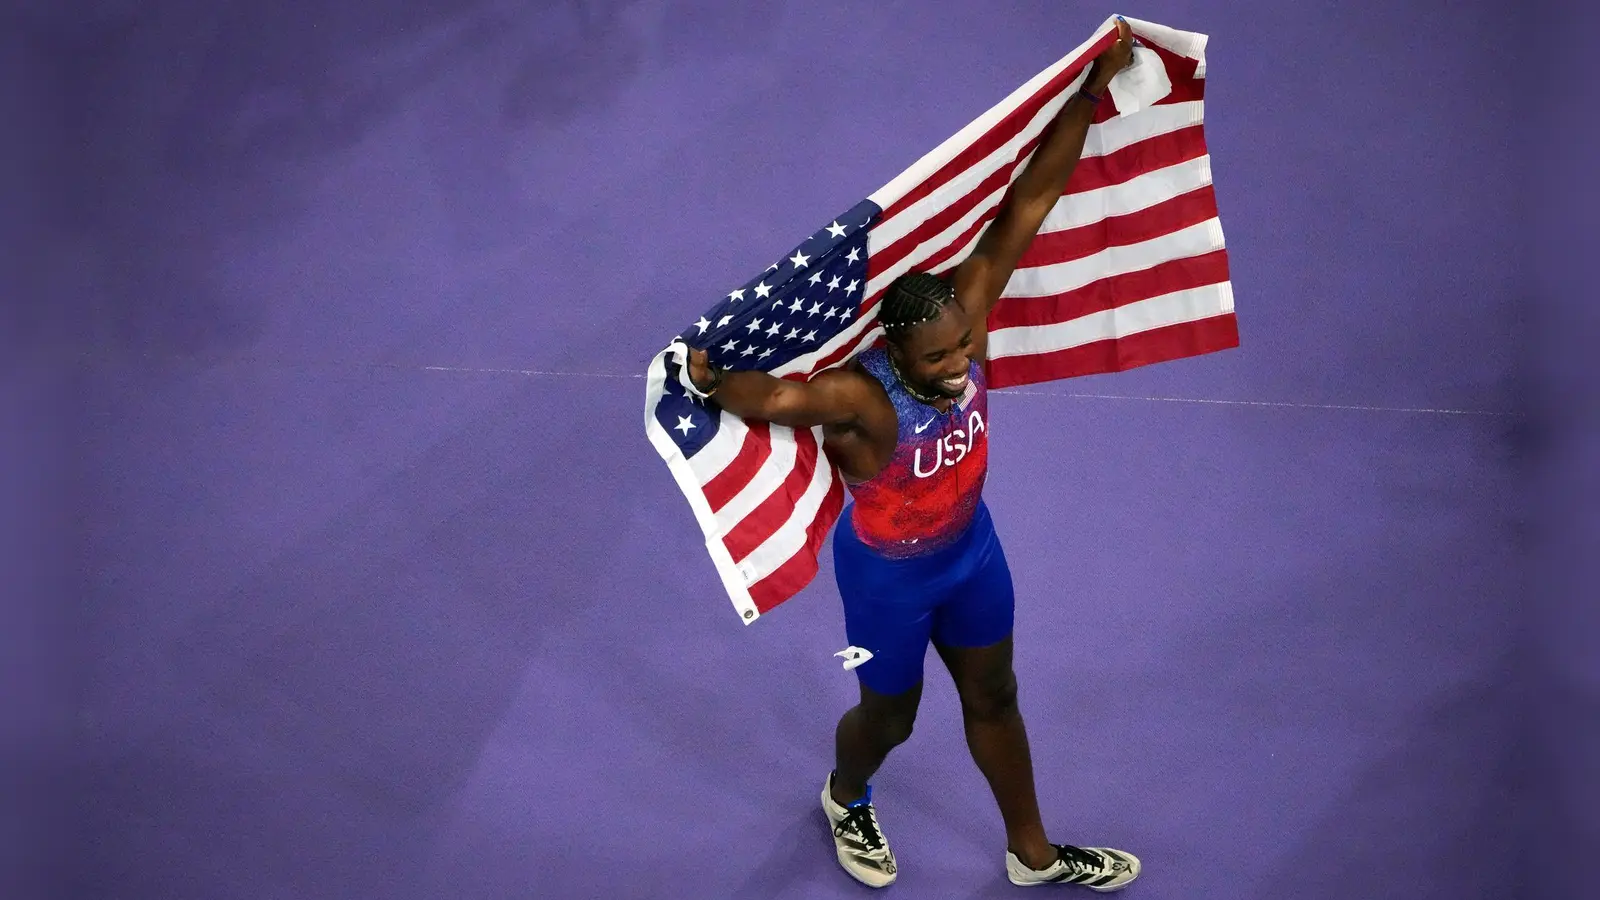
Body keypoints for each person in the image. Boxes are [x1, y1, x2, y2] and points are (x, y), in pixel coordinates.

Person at [684, 19, 1140, 891]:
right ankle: (845, 794)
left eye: (962, 348)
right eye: (937, 357)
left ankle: (1033, 853)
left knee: (997, 695)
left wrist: (1089, 96)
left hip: (973, 555)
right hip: (887, 580)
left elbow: (1027, 210)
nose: (958, 363)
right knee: (891, 716)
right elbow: (777, 398)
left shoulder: (959, 311)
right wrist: (712, 381)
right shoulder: (862, 399)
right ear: (897, 352)